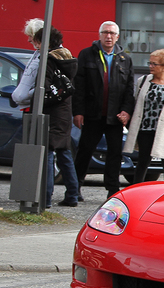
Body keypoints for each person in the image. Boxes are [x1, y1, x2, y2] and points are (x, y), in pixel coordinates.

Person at [73, 21, 135, 199]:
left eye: (112, 33)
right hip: (92, 114)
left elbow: (129, 90)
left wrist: (126, 111)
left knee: (115, 154)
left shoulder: (125, 59)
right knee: (85, 151)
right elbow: (79, 86)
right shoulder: (87, 55)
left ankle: (112, 190)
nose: (108, 36)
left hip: (115, 117)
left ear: (117, 37)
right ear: (99, 35)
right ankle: (75, 187)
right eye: (105, 33)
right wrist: (78, 111)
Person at [32, 27, 79, 208]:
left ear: (45, 42)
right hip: (65, 111)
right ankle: (72, 194)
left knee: (49, 154)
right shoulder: (68, 57)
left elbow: (43, 86)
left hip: (52, 112)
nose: (36, 46)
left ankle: (45, 197)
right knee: (64, 152)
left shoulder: (50, 59)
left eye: (37, 41)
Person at [123, 49, 164, 184]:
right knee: (143, 161)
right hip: (145, 128)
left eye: (154, 64)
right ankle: (137, 188)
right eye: (149, 63)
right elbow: (136, 102)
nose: (150, 66)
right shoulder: (143, 81)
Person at [11, 18, 43, 111]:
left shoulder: (47, 56)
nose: (29, 40)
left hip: (35, 107)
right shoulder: (37, 54)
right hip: (28, 105)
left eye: (30, 36)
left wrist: (28, 94)